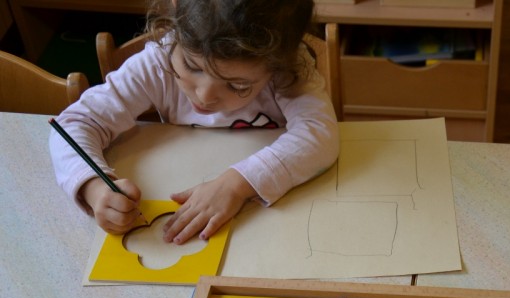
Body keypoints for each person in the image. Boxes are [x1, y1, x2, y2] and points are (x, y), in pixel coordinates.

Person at [50, 0, 339, 245]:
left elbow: (320, 134)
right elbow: (75, 124)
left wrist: (237, 185)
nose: (204, 95)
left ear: (279, 64)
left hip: (274, 224)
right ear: (176, 23)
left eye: (237, 85)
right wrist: (94, 187)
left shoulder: (289, 72)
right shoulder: (157, 64)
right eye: (192, 66)